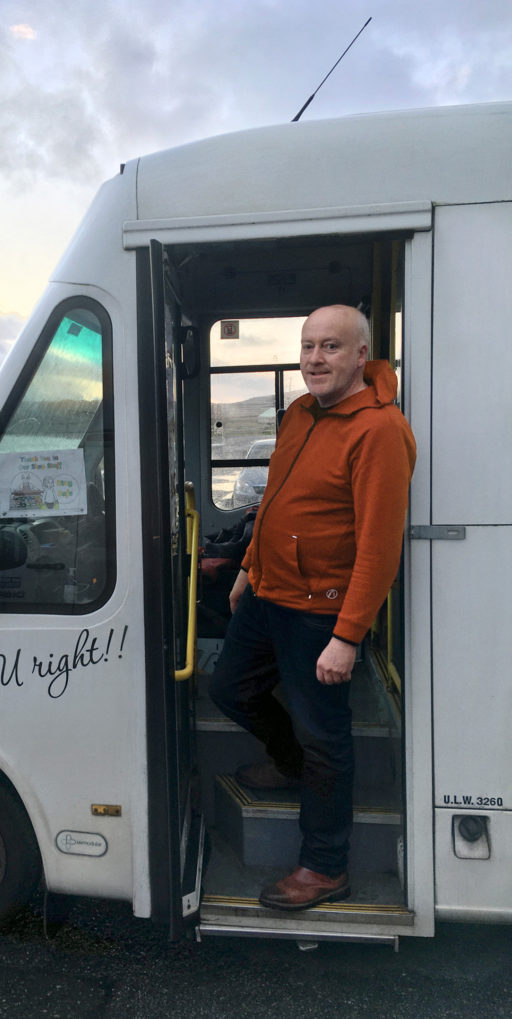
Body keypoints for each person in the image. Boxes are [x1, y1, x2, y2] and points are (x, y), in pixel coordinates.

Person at [209, 304, 417, 911]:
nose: (314, 359)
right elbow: (275, 500)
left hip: (321, 612)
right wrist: (249, 567)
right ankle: (291, 762)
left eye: (330, 347)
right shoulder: (300, 413)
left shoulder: (380, 431)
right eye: (307, 347)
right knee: (229, 690)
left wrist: (348, 636)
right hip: (270, 593)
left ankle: (325, 867)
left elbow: (380, 548)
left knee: (327, 737)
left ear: (360, 356)